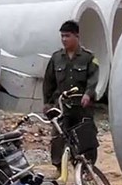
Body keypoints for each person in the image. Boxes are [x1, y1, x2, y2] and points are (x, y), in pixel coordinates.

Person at [43, 20, 100, 174]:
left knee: (85, 138)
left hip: (82, 107)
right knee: (58, 137)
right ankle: (58, 168)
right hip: (62, 107)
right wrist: (47, 103)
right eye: (62, 36)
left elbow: (93, 78)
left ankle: (86, 169)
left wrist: (88, 94)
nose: (64, 39)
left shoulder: (88, 57)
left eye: (67, 36)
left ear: (77, 36)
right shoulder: (56, 58)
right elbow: (49, 82)